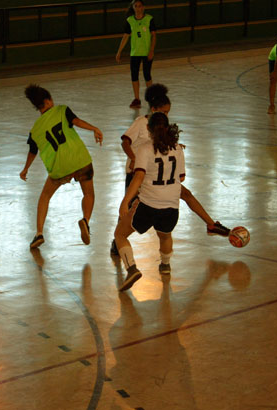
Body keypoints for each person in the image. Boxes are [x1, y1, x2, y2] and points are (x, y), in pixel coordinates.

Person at [110, 84, 229, 256]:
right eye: (163, 112)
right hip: (139, 174)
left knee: (186, 194)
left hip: (157, 176)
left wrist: (174, 147)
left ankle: (211, 224)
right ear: (153, 109)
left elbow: (162, 145)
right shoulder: (141, 123)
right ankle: (117, 241)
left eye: (168, 112)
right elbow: (125, 142)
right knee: (127, 208)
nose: (166, 115)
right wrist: (135, 159)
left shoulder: (161, 125)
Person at [20, 84, 104, 249]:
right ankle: (85, 220)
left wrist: (25, 169)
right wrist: (94, 128)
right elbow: (77, 121)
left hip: (59, 169)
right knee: (88, 193)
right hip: (80, 160)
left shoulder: (35, 130)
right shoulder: (62, 110)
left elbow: (32, 152)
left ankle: (39, 234)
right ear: (48, 101)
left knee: (45, 196)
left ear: (38, 106)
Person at [114, 112, 184, 291]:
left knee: (120, 234)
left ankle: (131, 269)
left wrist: (125, 201)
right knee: (165, 235)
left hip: (148, 204)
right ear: (167, 127)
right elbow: (181, 177)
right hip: (172, 205)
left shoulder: (145, 149)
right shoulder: (177, 148)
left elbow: (138, 177)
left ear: (148, 129)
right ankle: (165, 266)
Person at [116, 0, 156, 108]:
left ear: (143, 7)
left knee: (147, 74)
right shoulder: (130, 21)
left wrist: (151, 50)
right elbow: (125, 37)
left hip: (146, 51)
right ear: (133, 8)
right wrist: (119, 51)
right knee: (134, 75)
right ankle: (137, 99)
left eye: (140, 6)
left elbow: (153, 36)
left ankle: (151, 98)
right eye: (136, 6)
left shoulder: (149, 19)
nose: (138, 8)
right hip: (135, 53)